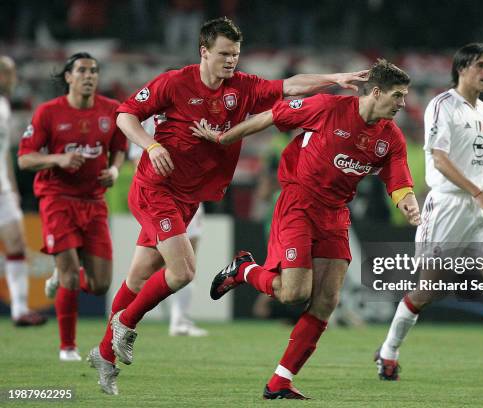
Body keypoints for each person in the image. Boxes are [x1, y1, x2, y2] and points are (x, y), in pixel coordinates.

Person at [86, 16, 367, 396]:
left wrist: (336, 77)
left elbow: (289, 87)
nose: (231, 61)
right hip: (156, 188)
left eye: (235, 54)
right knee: (184, 271)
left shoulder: (244, 87)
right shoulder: (174, 82)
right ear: (204, 52)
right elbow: (125, 115)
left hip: (188, 197)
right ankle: (126, 325)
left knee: (139, 278)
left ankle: (104, 354)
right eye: (223, 54)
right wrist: (151, 146)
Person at [200, 59, 421, 399]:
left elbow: (399, 178)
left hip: (336, 214)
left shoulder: (390, 137)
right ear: (376, 92)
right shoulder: (328, 108)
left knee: (326, 300)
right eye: (398, 95)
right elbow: (272, 115)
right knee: (293, 294)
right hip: (299, 204)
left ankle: (279, 382)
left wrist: (407, 201)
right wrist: (223, 138)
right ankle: (244, 269)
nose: (402, 103)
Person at [373, 43, 483, 386]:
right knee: (427, 290)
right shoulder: (442, 105)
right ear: (462, 68)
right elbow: (439, 158)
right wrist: (476, 192)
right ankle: (388, 351)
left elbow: (478, 162)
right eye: (481, 65)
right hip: (449, 205)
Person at [17, 52, 127, 360]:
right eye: (82, 70)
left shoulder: (111, 110)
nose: (89, 75)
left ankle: (61, 279)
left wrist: (115, 169)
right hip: (57, 200)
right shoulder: (48, 113)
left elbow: (120, 148)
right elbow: (25, 158)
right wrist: (57, 159)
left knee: (101, 284)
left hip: (94, 201)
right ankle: (68, 347)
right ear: (68, 76)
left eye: (94, 71)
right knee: (68, 275)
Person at [130, 117, 208, 337]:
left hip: (189, 194)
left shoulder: (193, 108)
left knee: (188, 260)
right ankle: (126, 319)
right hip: (158, 197)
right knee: (153, 268)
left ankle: (179, 319)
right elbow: (137, 157)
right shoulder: (148, 115)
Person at [0, 56, 47, 327]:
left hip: (4, 189)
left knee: (17, 243)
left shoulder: (5, 106)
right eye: (9, 74)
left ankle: (19, 310)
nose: (14, 79)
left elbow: (4, 150)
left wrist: (12, 185)